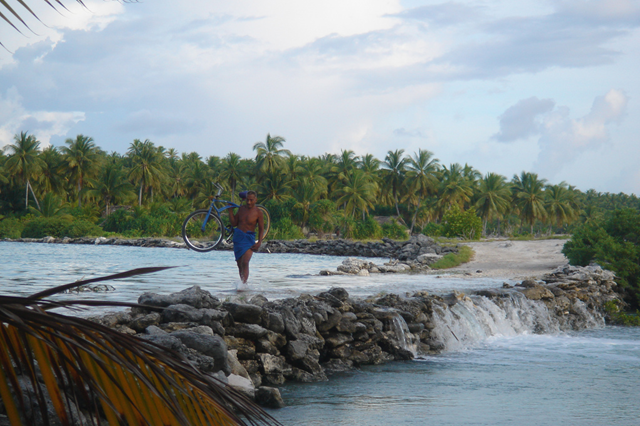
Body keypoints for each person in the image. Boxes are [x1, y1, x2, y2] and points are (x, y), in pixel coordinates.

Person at [228, 190, 264, 285]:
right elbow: (234, 223)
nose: (248, 202)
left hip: (249, 239)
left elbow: (261, 229)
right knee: (239, 264)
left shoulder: (258, 212)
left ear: (255, 200)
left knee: (245, 262)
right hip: (238, 237)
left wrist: (259, 242)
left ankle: (243, 284)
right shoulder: (241, 209)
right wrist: (230, 211)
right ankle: (243, 285)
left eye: (251, 200)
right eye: (247, 200)